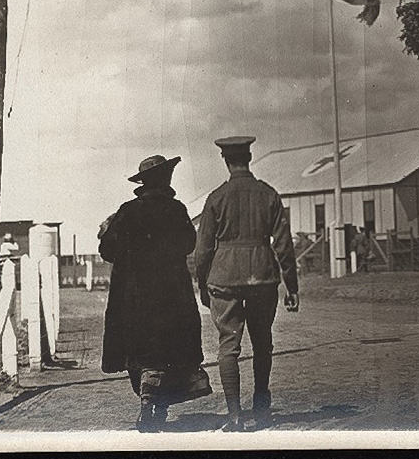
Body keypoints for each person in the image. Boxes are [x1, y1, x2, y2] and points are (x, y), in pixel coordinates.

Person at [99, 154, 211, 432]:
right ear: (167, 179)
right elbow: (188, 244)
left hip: (134, 297)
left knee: (142, 352)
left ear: (143, 182)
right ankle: (160, 406)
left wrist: (109, 233)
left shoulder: (127, 211)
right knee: (171, 350)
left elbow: (107, 250)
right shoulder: (177, 210)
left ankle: (148, 399)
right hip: (172, 295)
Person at [194, 136, 300, 432]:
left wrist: (202, 283)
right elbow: (283, 245)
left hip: (224, 277)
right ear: (250, 158)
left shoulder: (216, 198)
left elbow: (203, 250)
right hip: (262, 276)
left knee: (228, 346)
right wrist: (292, 286)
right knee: (262, 341)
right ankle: (262, 405)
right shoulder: (269, 194)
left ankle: (235, 415)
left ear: (225, 161)